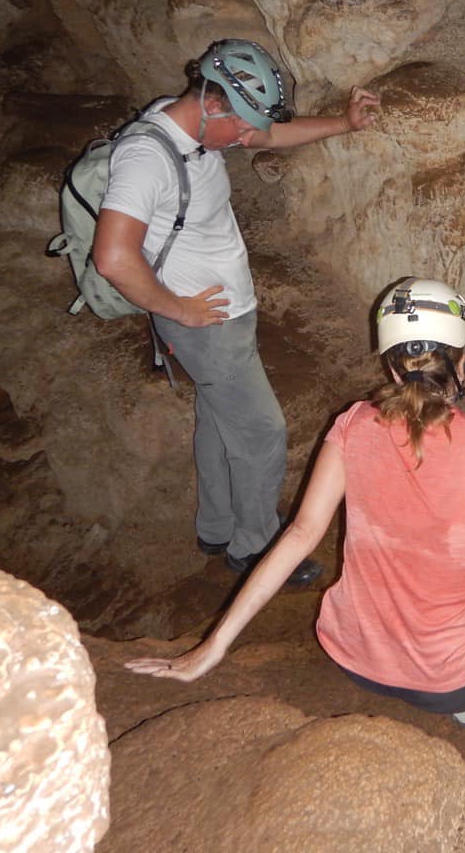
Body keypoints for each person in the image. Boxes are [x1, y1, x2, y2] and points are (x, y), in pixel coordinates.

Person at [125, 278, 465, 726]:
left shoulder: (354, 423)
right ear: (462, 362)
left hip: (353, 659)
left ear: (392, 368)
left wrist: (211, 647)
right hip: (455, 683)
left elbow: (299, 534)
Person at [92, 39, 379, 586]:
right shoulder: (147, 156)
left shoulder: (190, 123)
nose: (250, 141)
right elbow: (112, 257)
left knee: (219, 419)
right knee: (263, 433)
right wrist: (180, 309)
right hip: (206, 325)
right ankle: (254, 547)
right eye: (243, 128)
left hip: (219, 317)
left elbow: (271, 134)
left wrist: (344, 124)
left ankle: (217, 527)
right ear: (215, 105)